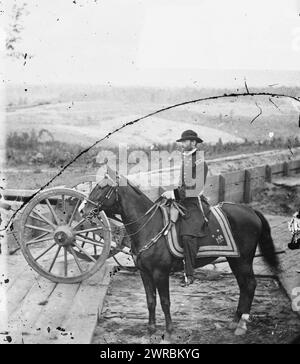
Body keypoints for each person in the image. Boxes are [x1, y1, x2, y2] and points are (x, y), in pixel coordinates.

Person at [162, 130, 209, 286]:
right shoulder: (186, 159)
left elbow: (193, 189)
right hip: (183, 201)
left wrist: (174, 193)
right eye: (182, 142)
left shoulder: (200, 162)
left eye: (185, 142)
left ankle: (189, 274)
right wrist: (172, 192)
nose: (182, 144)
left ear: (194, 143)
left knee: (188, 236)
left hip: (194, 203)